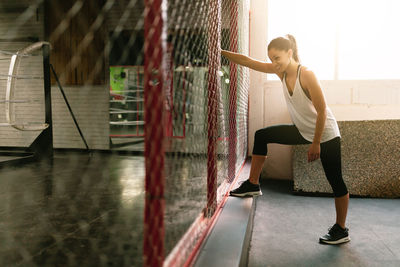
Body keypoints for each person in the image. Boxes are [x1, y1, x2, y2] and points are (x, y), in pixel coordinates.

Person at [221, 34, 350, 245]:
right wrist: (221, 51)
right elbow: (248, 61)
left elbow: (322, 111)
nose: (274, 63)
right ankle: (253, 184)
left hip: (325, 134)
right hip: (301, 130)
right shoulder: (279, 71)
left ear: (290, 53)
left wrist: (316, 143)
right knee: (262, 135)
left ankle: (341, 229)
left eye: (277, 57)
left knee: (335, 181)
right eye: (271, 59)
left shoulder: (306, 74)